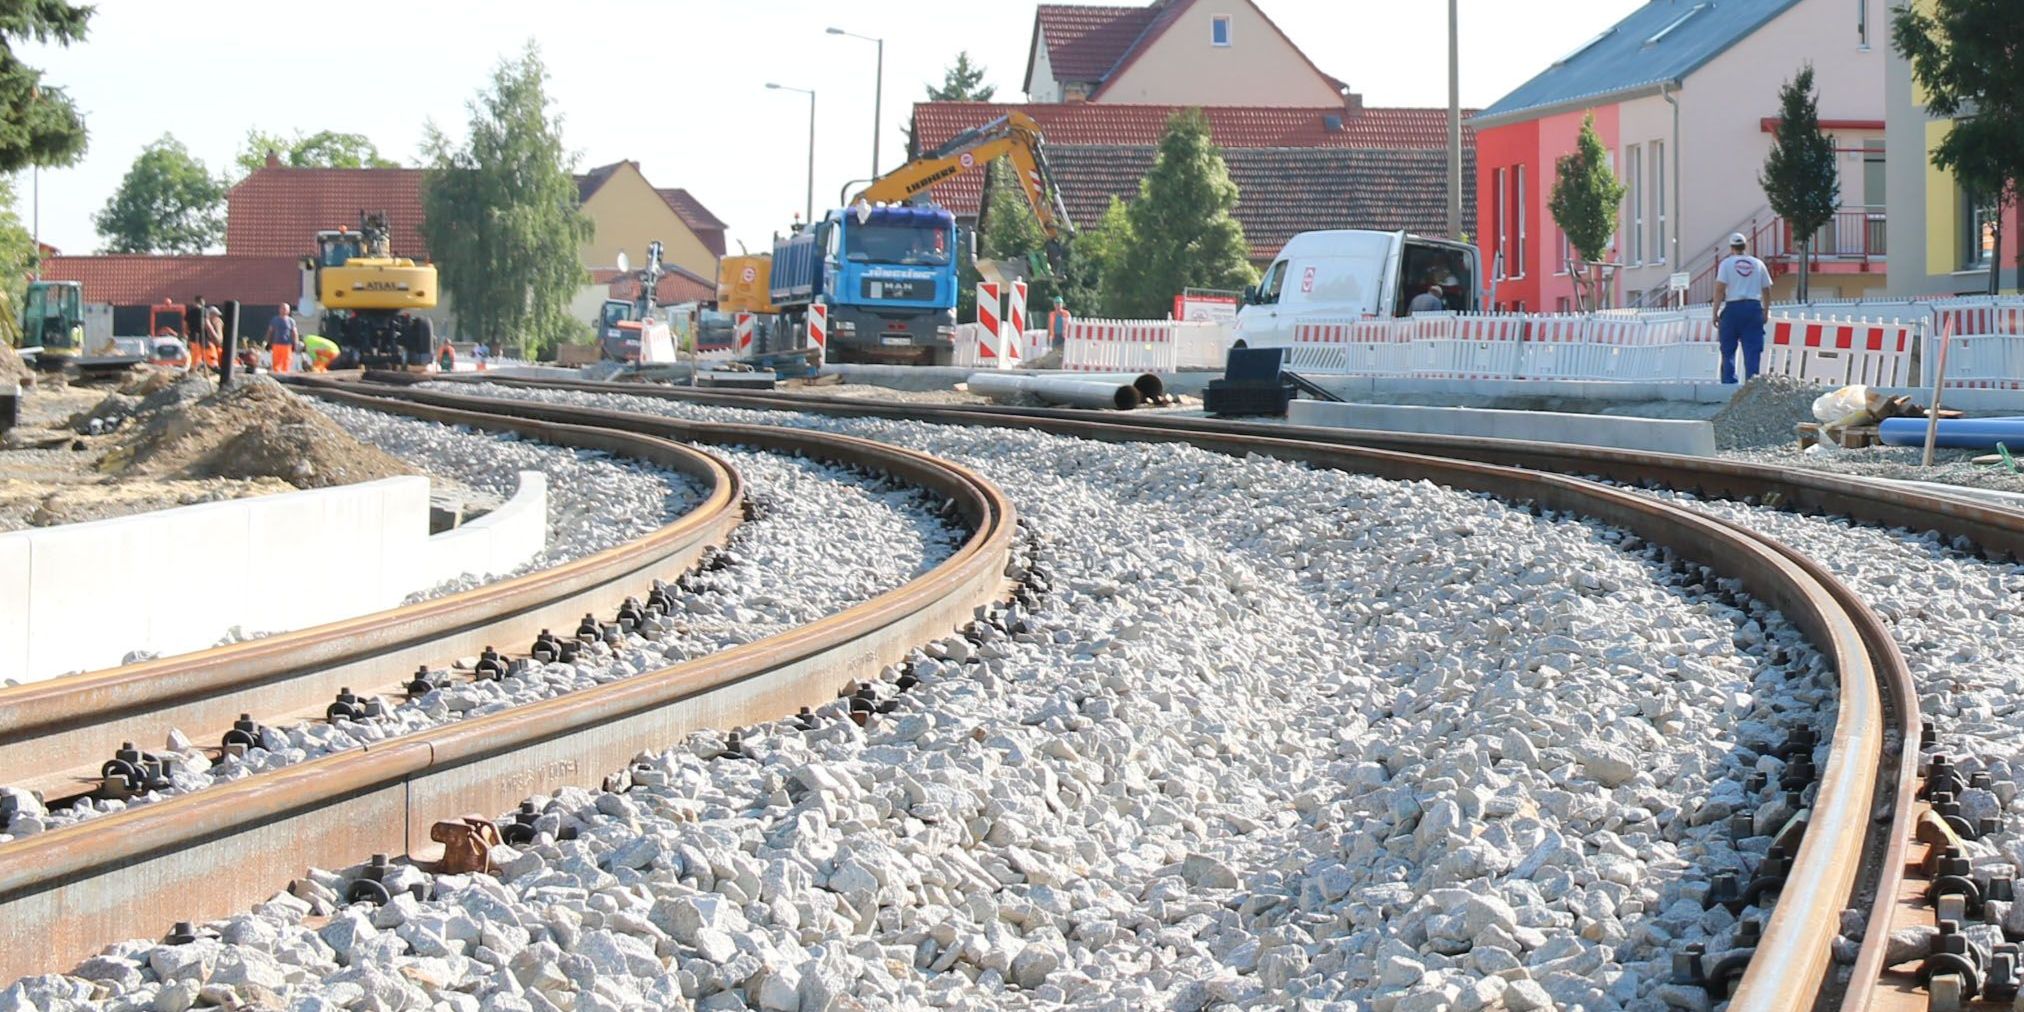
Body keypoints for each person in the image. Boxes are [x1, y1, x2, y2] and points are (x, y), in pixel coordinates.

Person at [1713, 232, 1773, 383]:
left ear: (1731, 247)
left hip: (1733, 308)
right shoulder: (1758, 264)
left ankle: (1729, 383)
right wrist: (1765, 311)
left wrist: (1715, 312)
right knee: (1753, 350)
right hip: (1753, 309)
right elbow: (1767, 289)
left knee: (1728, 349)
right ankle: (1751, 386)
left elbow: (1720, 289)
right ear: (1746, 246)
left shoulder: (1726, 264)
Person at [265, 303, 299, 374]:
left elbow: (294, 332)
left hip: (287, 345)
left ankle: (285, 375)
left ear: (288, 311)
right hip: (276, 344)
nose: (284, 310)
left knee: (286, 361)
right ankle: (276, 375)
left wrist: (295, 343)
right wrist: (268, 342)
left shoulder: (291, 321)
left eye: (286, 309)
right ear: (279, 310)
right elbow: (270, 331)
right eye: (282, 308)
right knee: (276, 361)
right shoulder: (275, 320)